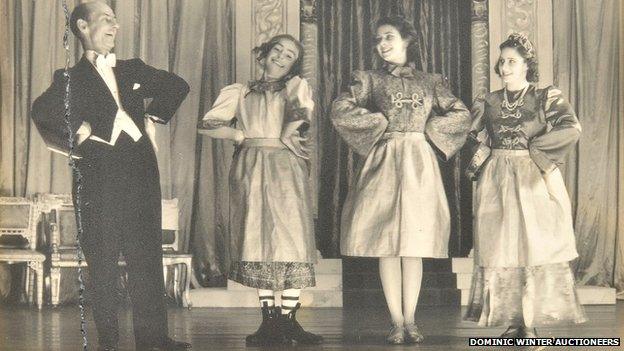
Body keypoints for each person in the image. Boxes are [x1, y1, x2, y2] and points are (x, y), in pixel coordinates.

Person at [31, 2, 191, 350]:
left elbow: (177, 85)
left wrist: (154, 118)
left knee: (146, 257)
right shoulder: (69, 79)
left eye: (116, 20)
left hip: (140, 173)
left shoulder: (133, 68)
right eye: (106, 19)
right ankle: (109, 341)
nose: (115, 25)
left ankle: (154, 339)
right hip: (97, 177)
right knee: (101, 261)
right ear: (83, 27)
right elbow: (41, 113)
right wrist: (79, 131)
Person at [331, 16, 471, 344]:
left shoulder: (431, 81)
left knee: (414, 246)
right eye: (379, 39)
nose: (382, 44)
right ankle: (396, 321)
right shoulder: (367, 79)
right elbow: (340, 109)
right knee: (387, 245)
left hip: (419, 164)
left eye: (389, 37)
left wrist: (429, 131)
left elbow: (461, 113)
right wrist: (379, 124)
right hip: (384, 163)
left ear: (407, 40)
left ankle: (411, 319)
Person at [198, 34, 322, 346]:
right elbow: (208, 124)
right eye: (277, 50)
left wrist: (286, 133)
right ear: (264, 54)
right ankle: (269, 321)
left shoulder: (295, 88)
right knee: (256, 237)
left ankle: (289, 320)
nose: (282, 57)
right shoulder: (240, 91)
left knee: (292, 237)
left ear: (294, 63)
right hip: (250, 167)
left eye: (290, 55)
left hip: (285, 164)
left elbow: (300, 120)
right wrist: (239, 134)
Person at [464, 33, 587, 337]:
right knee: (503, 249)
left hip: (533, 180)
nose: (504, 67)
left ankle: (529, 323)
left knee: (531, 249)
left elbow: (572, 128)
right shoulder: (489, 101)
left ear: (526, 66)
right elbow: (468, 135)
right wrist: (483, 159)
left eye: (511, 61)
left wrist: (535, 150)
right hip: (497, 182)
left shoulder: (545, 96)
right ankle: (514, 322)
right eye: (502, 60)